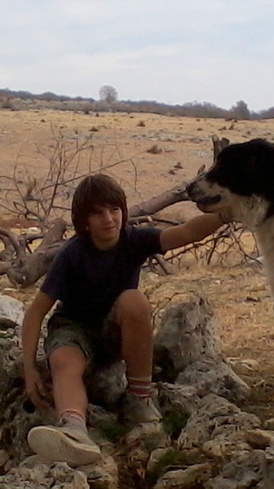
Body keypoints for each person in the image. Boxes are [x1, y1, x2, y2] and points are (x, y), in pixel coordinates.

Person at [21, 173, 228, 466]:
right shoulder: (72, 254)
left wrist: (228, 213)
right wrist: (29, 369)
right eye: (98, 213)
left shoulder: (134, 240)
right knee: (63, 361)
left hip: (115, 332)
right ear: (84, 221)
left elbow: (187, 232)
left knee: (134, 300)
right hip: (74, 329)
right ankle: (74, 431)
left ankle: (139, 399)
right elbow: (36, 312)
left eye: (114, 209)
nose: (109, 219)